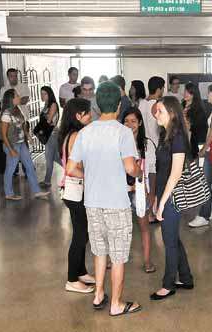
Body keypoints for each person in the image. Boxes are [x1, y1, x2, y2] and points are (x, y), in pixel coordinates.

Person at [66, 81, 142, 316]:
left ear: (97, 105)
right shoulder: (123, 132)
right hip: (116, 202)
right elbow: (130, 168)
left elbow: (70, 168)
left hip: (92, 201)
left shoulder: (85, 132)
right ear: (119, 106)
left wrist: (92, 175)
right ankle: (117, 304)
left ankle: (99, 295)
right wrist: (139, 173)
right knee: (118, 255)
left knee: (99, 250)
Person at [150, 96, 194, 300]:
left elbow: (175, 174)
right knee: (173, 237)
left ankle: (168, 284)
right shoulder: (165, 134)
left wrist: (163, 203)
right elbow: (162, 171)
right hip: (164, 193)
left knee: (169, 241)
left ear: (172, 113)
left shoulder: (177, 137)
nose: (156, 114)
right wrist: (157, 198)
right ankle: (185, 277)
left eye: (160, 111)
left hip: (173, 195)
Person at [57, 98, 95, 294]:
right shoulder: (76, 135)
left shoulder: (72, 133)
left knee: (83, 233)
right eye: (87, 113)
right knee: (80, 236)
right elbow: (73, 170)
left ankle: (80, 271)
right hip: (75, 190)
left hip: (74, 191)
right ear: (78, 116)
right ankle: (72, 279)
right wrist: (91, 175)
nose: (90, 116)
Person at [121, 107, 156, 273]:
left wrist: (152, 193)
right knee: (118, 227)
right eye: (126, 121)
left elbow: (153, 170)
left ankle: (147, 261)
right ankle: (110, 260)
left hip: (140, 191)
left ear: (140, 123)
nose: (129, 125)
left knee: (144, 227)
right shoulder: (118, 142)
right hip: (121, 190)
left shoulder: (147, 144)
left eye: (133, 121)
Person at [188, 84, 212, 228]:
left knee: (205, 182)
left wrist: (204, 148)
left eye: (209, 93)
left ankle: (204, 215)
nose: (207, 95)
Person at [0, 89, 49, 201]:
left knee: (30, 167)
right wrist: (11, 149)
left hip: (21, 143)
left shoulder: (17, 109)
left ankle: (37, 191)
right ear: (11, 99)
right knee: (10, 169)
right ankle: (8, 193)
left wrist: (27, 135)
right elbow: (3, 135)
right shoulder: (6, 114)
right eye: (17, 95)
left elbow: (22, 125)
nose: (19, 96)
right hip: (12, 145)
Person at [139, 76, 165, 223]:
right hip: (155, 147)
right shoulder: (157, 105)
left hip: (143, 147)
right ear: (159, 89)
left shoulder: (141, 103)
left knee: (146, 182)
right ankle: (151, 213)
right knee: (154, 182)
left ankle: (146, 211)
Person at [39, 86, 61, 187]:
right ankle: (72, 171)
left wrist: (45, 120)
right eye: (41, 93)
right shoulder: (47, 105)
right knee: (56, 157)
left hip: (51, 135)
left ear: (49, 94)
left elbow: (49, 121)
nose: (42, 96)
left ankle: (47, 181)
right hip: (50, 134)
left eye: (44, 94)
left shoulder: (53, 105)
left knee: (49, 158)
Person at [182, 82, 208, 160]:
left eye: (189, 92)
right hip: (181, 139)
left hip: (193, 141)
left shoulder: (199, 109)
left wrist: (188, 124)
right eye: (185, 91)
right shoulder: (181, 104)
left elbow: (200, 128)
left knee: (193, 167)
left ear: (194, 94)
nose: (186, 94)